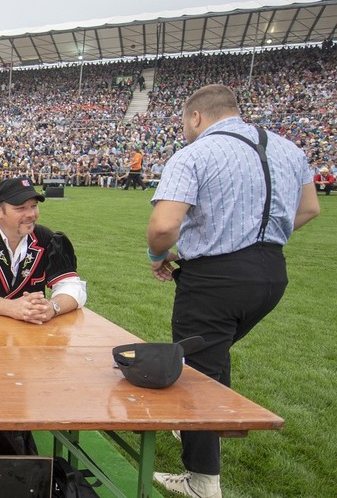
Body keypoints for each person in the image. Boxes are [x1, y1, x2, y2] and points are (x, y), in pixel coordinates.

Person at [146, 84, 320, 498]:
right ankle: (213, 424)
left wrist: (158, 255)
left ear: (195, 117)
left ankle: (202, 480)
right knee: (212, 353)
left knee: (193, 374)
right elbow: (311, 208)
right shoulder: (288, 149)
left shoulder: (194, 154)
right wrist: (259, 240)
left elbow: (163, 226)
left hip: (215, 278)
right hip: (271, 273)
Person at [0, 177, 87, 324]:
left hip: (30, 335)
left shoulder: (49, 240)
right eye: (20, 208)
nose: (31, 214)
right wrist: (10, 307)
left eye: (33, 206)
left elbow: (72, 286)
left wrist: (52, 307)